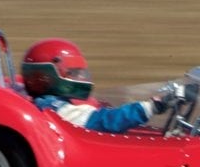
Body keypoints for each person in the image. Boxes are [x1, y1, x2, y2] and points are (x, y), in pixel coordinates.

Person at [21, 38, 179, 134]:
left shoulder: (50, 102)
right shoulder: (52, 108)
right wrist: (150, 107)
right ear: (46, 77)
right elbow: (102, 122)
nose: (80, 77)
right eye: (73, 72)